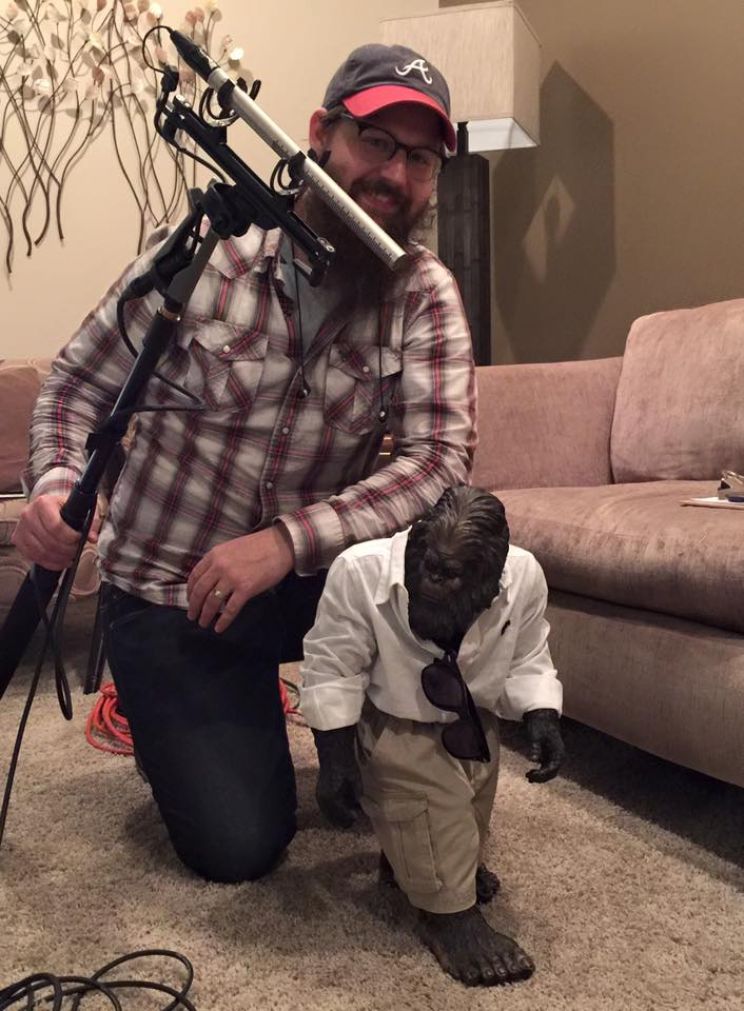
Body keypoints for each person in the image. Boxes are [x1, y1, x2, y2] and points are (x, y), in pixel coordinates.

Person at [12, 43, 476, 883]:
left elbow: (438, 459)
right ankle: (176, 713)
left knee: (466, 568)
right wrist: (54, 489)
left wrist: (288, 542)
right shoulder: (209, 249)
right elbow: (77, 386)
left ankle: (334, 723)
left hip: (312, 586)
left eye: (419, 158)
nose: (394, 175)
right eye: (376, 142)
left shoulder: (423, 291)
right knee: (240, 845)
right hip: (171, 591)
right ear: (320, 133)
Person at [299, 486, 565, 987]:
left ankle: (412, 866)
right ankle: (447, 918)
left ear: (491, 575)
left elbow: (529, 652)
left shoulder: (524, 575)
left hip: (473, 720)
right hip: (396, 721)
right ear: (418, 542)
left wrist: (541, 713)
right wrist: (334, 759)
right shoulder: (359, 571)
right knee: (427, 803)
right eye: (431, 566)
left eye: (451, 573)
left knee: (471, 803)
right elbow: (332, 667)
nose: (435, 581)